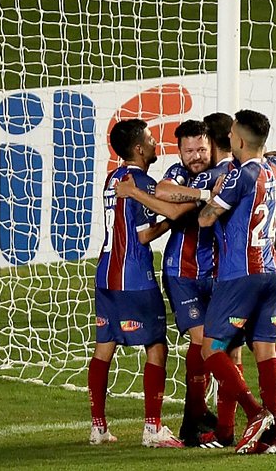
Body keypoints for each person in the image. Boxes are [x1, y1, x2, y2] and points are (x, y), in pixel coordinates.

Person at [114, 119, 219, 446]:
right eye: (189, 151)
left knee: (226, 347)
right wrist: (198, 197)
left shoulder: (223, 173)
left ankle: (207, 419)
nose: (196, 156)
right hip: (180, 272)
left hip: (217, 271)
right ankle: (199, 420)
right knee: (205, 343)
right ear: (180, 152)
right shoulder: (179, 173)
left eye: (201, 149)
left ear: (212, 147)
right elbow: (162, 192)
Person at [87, 119, 183, 448]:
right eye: (151, 138)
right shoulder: (140, 181)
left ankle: (98, 427)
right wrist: (173, 220)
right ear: (139, 149)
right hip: (134, 277)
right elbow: (143, 234)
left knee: (105, 347)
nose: (156, 143)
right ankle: (153, 429)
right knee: (157, 345)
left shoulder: (112, 178)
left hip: (105, 274)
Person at [198, 109, 276, 455]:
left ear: (238, 140)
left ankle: (254, 413)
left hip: (240, 274)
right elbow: (274, 155)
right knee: (265, 351)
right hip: (270, 272)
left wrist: (212, 194)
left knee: (211, 350)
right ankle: (272, 434)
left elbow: (206, 220)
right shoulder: (275, 168)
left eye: (233, 134)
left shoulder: (241, 176)